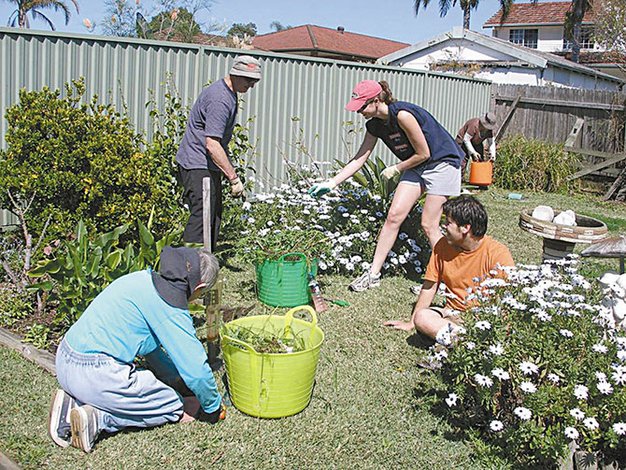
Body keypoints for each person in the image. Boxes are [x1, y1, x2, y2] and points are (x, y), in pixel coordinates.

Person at [48, 246, 225, 453]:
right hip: (96, 375)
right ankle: (98, 418)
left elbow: (151, 351)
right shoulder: (171, 307)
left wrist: (175, 379)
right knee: (173, 404)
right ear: (199, 287)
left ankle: (73, 401)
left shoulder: (140, 279)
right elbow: (196, 371)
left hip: (65, 359)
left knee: (160, 389)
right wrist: (212, 407)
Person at [309, 80, 464, 292]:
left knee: (429, 224)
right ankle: (373, 275)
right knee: (394, 216)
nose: (359, 111)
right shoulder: (374, 125)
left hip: (442, 162)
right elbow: (359, 159)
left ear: (376, 100)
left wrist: (396, 168)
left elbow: (424, 153)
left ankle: (445, 280)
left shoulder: (402, 115)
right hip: (417, 165)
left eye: (362, 106)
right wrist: (332, 182)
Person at [384, 196, 514, 348]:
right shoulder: (442, 246)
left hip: (482, 318)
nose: (444, 226)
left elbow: (508, 298)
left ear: (466, 228)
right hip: (451, 316)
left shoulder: (497, 254)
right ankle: (467, 343)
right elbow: (430, 286)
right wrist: (412, 322)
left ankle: (462, 342)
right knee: (422, 317)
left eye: (448, 223)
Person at [176, 55, 262, 249]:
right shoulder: (220, 99)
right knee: (202, 216)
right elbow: (212, 144)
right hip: (197, 163)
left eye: (255, 80)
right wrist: (233, 178)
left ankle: (206, 262)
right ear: (235, 75)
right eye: (249, 80)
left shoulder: (228, 93)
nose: (252, 85)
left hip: (206, 164)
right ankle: (190, 268)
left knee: (213, 214)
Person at [455, 112, 497, 178]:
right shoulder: (474, 125)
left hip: (477, 143)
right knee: (462, 162)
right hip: (462, 141)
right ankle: (458, 180)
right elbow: (466, 140)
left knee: (480, 161)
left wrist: (493, 155)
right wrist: (473, 152)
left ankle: (480, 181)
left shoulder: (489, 131)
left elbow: (491, 142)